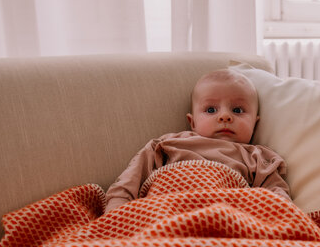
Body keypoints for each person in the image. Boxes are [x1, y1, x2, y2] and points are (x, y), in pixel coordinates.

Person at [104, 68, 290, 212]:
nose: (225, 116)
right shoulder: (166, 144)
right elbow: (127, 183)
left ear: (254, 123)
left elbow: (278, 199)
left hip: (226, 217)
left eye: (238, 110)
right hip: (164, 210)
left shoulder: (257, 157)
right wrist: (117, 212)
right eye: (211, 110)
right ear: (192, 122)